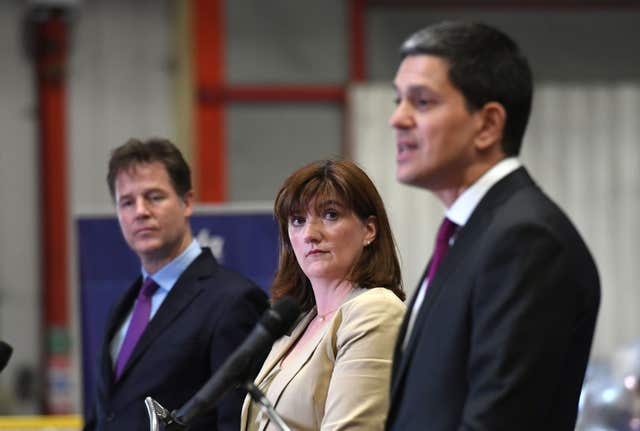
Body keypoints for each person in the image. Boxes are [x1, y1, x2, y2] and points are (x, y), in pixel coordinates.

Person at [385, 21, 600, 431]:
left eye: (422, 102)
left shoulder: (526, 241)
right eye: (398, 100)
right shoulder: (473, 233)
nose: (398, 118)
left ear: (487, 125)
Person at [84, 138, 268, 431]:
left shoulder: (233, 300)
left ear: (187, 202)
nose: (140, 211)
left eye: (154, 197)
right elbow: (107, 414)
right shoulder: (124, 305)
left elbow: (238, 421)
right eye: (127, 202)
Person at [240, 159, 406, 431]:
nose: (310, 234)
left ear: (369, 230)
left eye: (330, 215)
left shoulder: (375, 311)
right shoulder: (299, 323)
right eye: (298, 220)